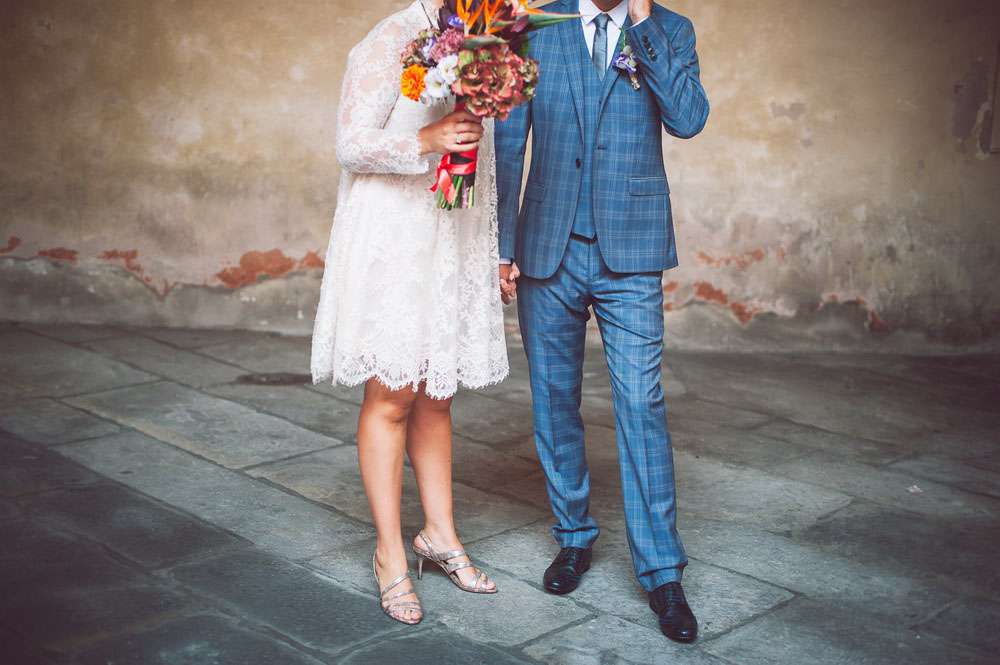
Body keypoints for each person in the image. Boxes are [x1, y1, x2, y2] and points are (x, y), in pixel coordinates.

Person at [495, 0, 709, 644]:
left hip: (632, 249)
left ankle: (662, 570)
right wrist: (501, 247)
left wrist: (643, 26)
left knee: (640, 401)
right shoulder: (535, 25)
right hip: (547, 244)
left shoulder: (669, 30)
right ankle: (573, 536)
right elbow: (509, 140)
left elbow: (689, 119)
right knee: (553, 398)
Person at [311, 0, 508, 626]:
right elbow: (350, 145)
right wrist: (427, 138)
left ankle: (439, 534)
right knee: (393, 394)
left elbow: (482, 156)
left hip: (450, 232)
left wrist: (487, 252)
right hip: (394, 238)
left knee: (438, 394)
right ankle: (389, 553)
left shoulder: (488, 38)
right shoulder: (390, 38)